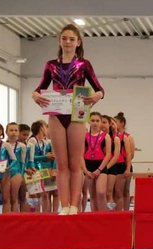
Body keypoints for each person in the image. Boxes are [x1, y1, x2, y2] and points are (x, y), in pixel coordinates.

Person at [31, 23, 104, 215]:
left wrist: (97, 96)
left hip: (77, 113)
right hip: (56, 114)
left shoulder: (84, 64)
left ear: (78, 42)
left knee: (75, 164)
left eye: (72, 39)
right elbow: (39, 88)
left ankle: (74, 205)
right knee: (61, 164)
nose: (68, 42)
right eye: (64, 38)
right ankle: (64, 205)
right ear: (59, 41)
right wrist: (35, 95)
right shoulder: (51, 65)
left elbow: (99, 88)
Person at [82, 112, 111, 211]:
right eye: (93, 120)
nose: (95, 123)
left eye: (97, 121)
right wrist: (85, 170)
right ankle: (94, 216)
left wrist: (99, 169)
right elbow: (81, 155)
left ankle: (103, 216)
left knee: (101, 192)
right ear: (89, 122)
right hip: (88, 166)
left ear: (100, 122)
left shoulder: (106, 136)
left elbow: (108, 155)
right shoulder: (85, 136)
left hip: (100, 166)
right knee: (93, 195)